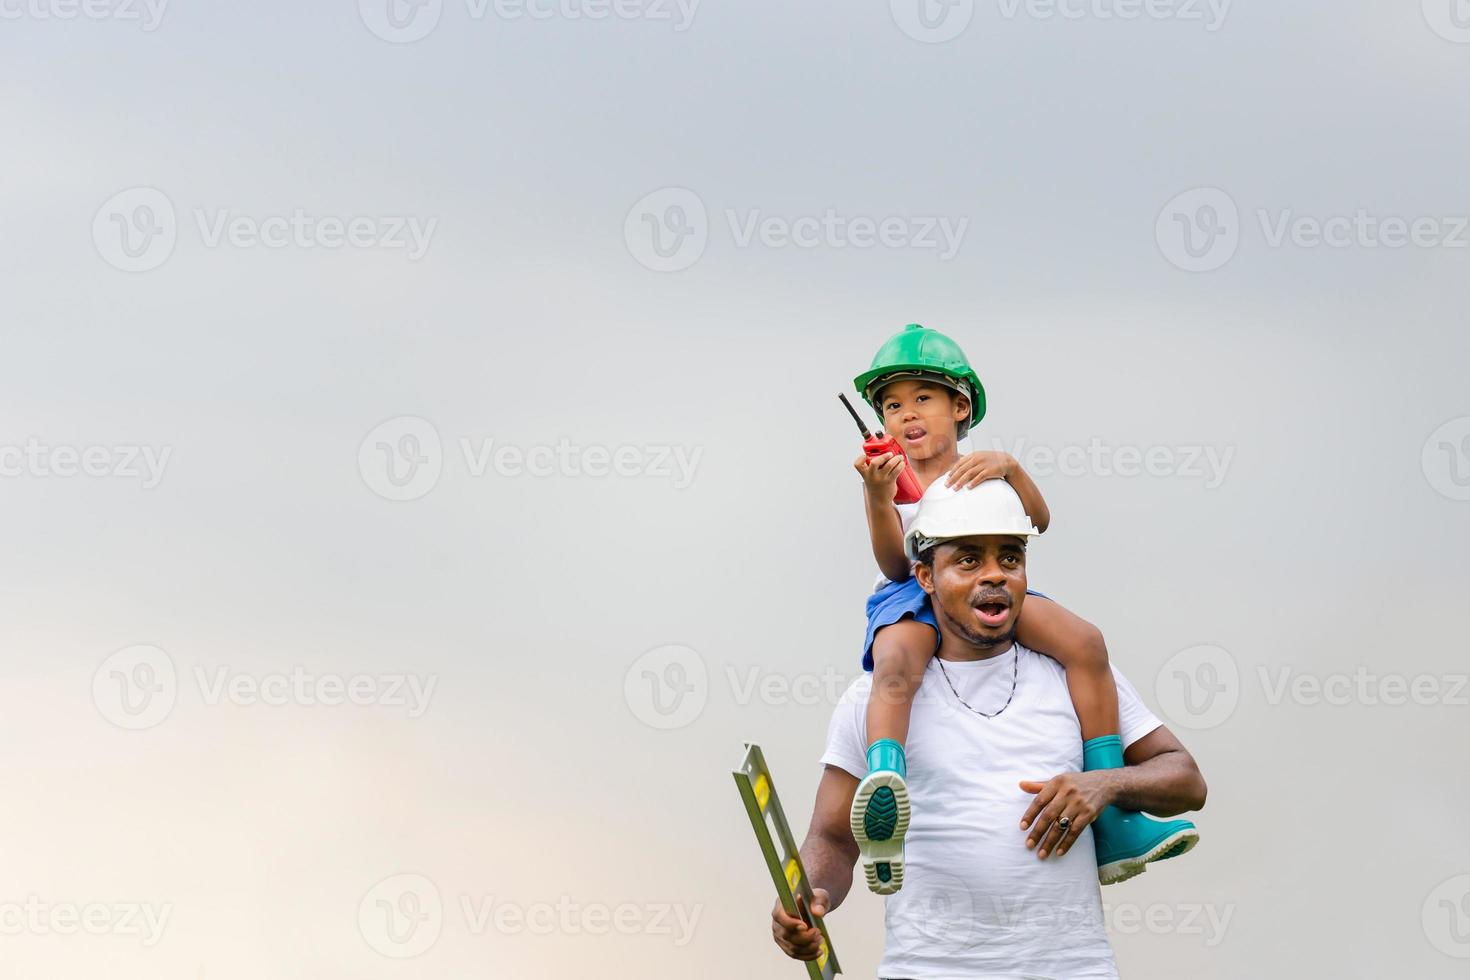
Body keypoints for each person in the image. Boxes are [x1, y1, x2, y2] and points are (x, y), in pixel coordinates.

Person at [773, 479, 1208, 978]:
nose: (994, 576)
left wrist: (1105, 782)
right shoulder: (873, 700)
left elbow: (1186, 780)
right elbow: (832, 838)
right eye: (967, 560)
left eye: (1010, 558)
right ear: (926, 576)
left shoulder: (1075, 678)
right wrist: (809, 894)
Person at [848, 323, 1196, 893]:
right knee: (896, 659)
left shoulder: (983, 470)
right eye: (891, 405)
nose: (905, 414)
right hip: (914, 589)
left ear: (960, 406)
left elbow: (1039, 521)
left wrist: (1012, 468)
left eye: (921, 399)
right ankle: (887, 778)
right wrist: (877, 496)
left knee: (1085, 642)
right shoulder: (891, 477)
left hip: (990, 588)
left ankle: (1112, 816)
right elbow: (893, 564)